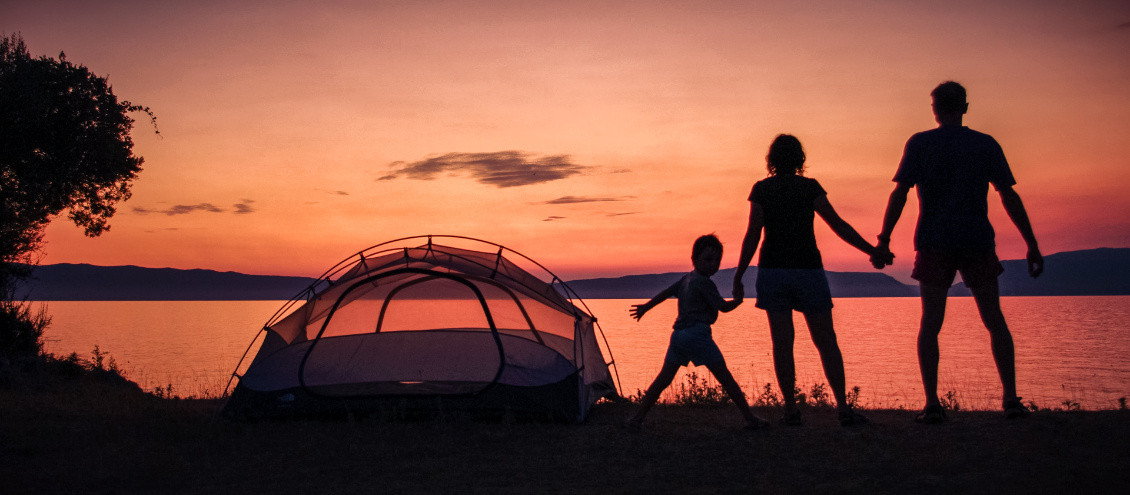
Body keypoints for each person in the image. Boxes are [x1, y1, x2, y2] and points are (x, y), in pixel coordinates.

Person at [874, 81, 1043, 423]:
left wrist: (884, 239)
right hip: (976, 241)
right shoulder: (984, 144)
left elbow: (900, 194)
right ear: (965, 106)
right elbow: (1008, 195)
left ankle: (933, 404)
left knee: (930, 324)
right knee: (994, 321)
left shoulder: (920, 143)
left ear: (934, 109)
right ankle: (1010, 399)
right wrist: (1032, 243)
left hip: (934, 242)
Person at [733, 134, 882, 427]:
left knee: (782, 344)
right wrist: (872, 250)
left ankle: (790, 410)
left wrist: (739, 275)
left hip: (774, 272)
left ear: (772, 160)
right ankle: (843, 409)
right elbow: (838, 225)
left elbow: (753, 234)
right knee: (827, 342)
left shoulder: (762, 189)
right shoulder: (809, 187)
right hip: (807, 271)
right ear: (799, 159)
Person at [625, 234, 771, 430]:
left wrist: (646, 307)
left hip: (678, 336)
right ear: (695, 259)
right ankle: (750, 418)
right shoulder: (704, 282)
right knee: (725, 377)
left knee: (663, 380)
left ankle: (637, 419)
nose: (713, 264)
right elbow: (723, 308)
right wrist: (738, 300)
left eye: (717, 260)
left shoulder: (687, 279)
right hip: (697, 335)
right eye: (708, 259)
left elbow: (667, 292)